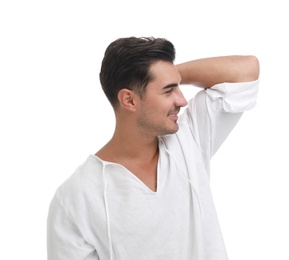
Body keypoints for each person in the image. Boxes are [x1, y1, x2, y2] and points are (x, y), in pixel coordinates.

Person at [47, 36, 260, 260]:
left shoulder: (189, 138)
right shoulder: (76, 197)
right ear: (129, 100)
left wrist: (166, 75)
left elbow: (246, 71)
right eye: (168, 91)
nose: (182, 100)